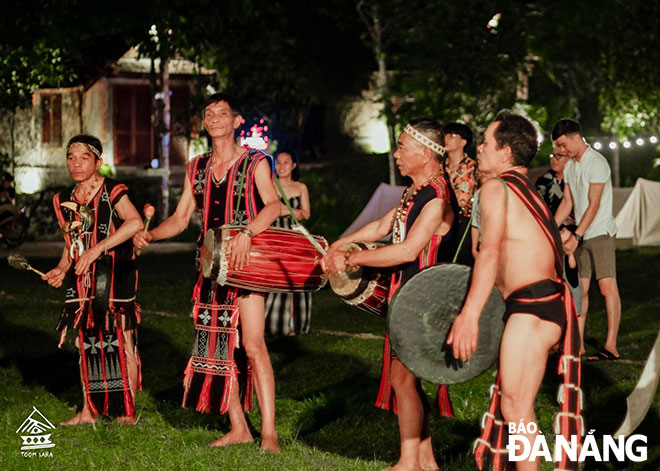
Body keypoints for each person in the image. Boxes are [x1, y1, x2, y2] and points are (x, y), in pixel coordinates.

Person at [133, 93, 281, 452]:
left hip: (246, 266)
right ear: (205, 123)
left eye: (222, 113)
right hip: (210, 269)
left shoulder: (255, 162)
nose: (215, 118)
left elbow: (275, 204)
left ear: (236, 121)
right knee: (215, 350)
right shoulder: (196, 167)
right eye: (209, 113)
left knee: (253, 345)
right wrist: (150, 234)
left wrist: (248, 232)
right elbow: (182, 219)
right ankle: (239, 428)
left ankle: (270, 435)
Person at [447, 111, 582, 471]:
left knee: (517, 407)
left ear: (506, 152)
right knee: (517, 406)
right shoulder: (529, 192)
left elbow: (489, 252)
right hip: (542, 304)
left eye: (486, 145)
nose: (479, 153)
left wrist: (469, 316)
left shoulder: (496, 188)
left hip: (533, 306)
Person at [324, 118, 458, 471]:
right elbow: (382, 227)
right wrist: (337, 245)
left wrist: (351, 258)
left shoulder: (437, 197)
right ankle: (425, 460)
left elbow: (406, 251)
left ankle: (409, 462)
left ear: (426, 153)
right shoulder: (413, 192)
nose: (396, 154)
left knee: (402, 378)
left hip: (426, 300)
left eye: (402, 146)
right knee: (406, 379)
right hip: (409, 297)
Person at [43, 134, 143, 425]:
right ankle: (89, 410)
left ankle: (127, 411)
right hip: (81, 276)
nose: (76, 163)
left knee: (122, 339)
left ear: (98, 162)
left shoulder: (113, 190)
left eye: (84, 157)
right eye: (71, 157)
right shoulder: (62, 200)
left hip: (115, 273)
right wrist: (62, 268)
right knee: (85, 341)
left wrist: (98, 248)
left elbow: (134, 222)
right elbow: (70, 241)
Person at [552, 119, 621, 360]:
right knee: (580, 291)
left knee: (606, 287)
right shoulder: (570, 166)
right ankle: (578, 344)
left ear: (574, 137)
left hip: (599, 231)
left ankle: (611, 345)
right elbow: (568, 203)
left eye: (562, 144)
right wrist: (550, 227)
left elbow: (594, 204)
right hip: (581, 232)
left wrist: (577, 235)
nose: (560, 150)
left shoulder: (597, 162)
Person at [265, 150, 312, 335]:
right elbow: (267, 211)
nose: (281, 166)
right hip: (273, 234)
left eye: (286, 162)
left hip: (295, 236)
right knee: (274, 279)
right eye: (278, 162)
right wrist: (293, 210)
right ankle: (271, 322)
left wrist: (280, 209)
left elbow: (306, 214)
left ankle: (294, 324)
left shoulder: (301, 187)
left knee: (297, 280)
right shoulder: (269, 186)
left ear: (293, 165)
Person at [441, 122, 478, 265]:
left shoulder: (473, 167)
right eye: (445, 135)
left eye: (452, 136)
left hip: (464, 224)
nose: (446, 139)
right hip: (441, 220)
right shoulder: (440, 167)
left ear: (463, 142)